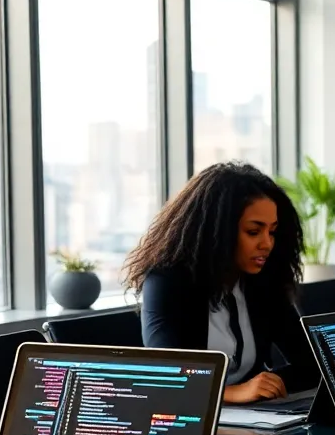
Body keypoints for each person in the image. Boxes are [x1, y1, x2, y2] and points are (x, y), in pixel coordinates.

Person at [123, 162, 321, 405]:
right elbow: (169, 375)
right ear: (217, 231)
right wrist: (233, 393)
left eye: (272, 232)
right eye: (253, 231)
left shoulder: (263, 281)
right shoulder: (167, 281)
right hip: (189, 426)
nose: (267, 243)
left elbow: (312, 363)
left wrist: (267, 385)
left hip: (253, 424)